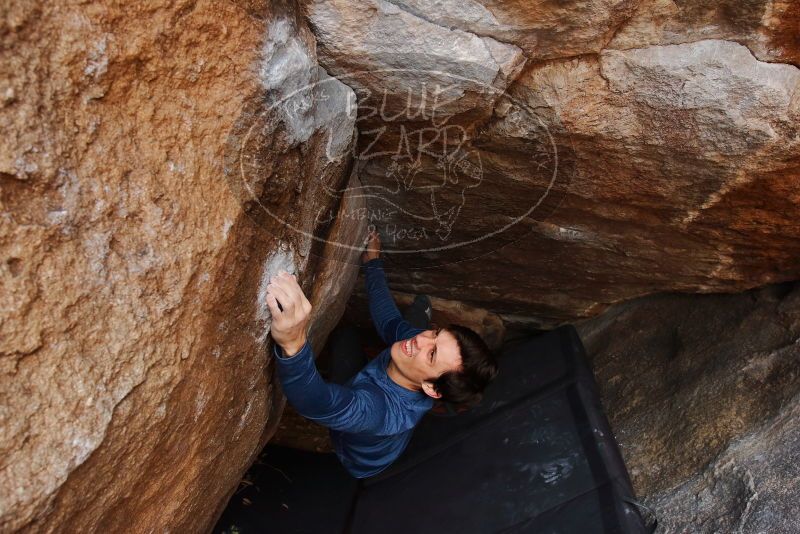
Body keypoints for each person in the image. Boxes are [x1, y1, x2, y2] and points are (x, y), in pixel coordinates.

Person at [265, 230, 498, 478]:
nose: (420, 339)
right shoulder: (416, 347)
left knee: (343, 358)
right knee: (363, 333)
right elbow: (388, 320)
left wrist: (293, 343)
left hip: (360, 457)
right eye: (435, 333)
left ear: (432, 388)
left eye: (432, 354)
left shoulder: (379, 411)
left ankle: (421, 313)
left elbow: (316, 403)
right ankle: (422, 311)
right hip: (381, 389)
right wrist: (373, 263)